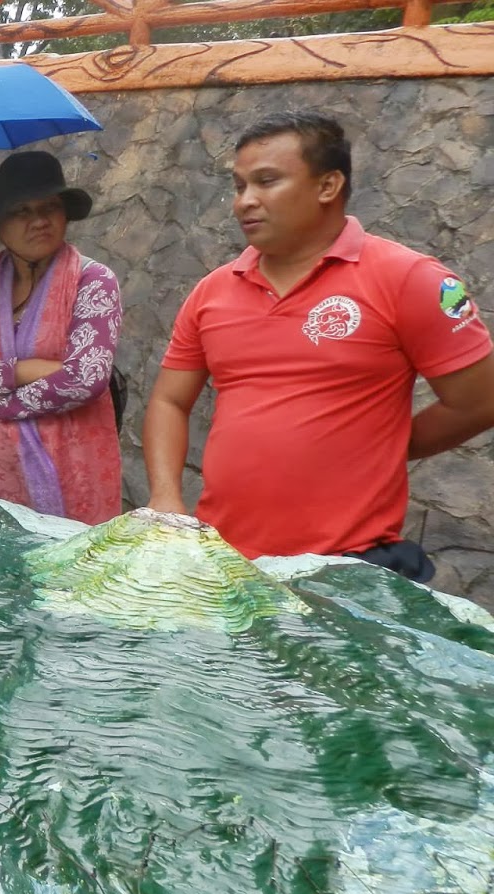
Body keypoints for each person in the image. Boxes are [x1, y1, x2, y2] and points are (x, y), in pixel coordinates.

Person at [143, 111, 494, 576]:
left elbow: (479, 402)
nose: (245, 201)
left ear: (328, 186)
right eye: (239, 186)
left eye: (266, 181)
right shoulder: (212, 292)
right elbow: (169, 400)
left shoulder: (410, 279)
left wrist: (385, 445)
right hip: (228, 564)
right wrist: (166, 496)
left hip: (349, 569)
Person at [0, 151, 123, 524]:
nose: (39, 221)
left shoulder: (93, 282)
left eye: (50, 207)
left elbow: (85, 378)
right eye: (22, 211)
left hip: (73, 473)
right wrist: (25, 370)